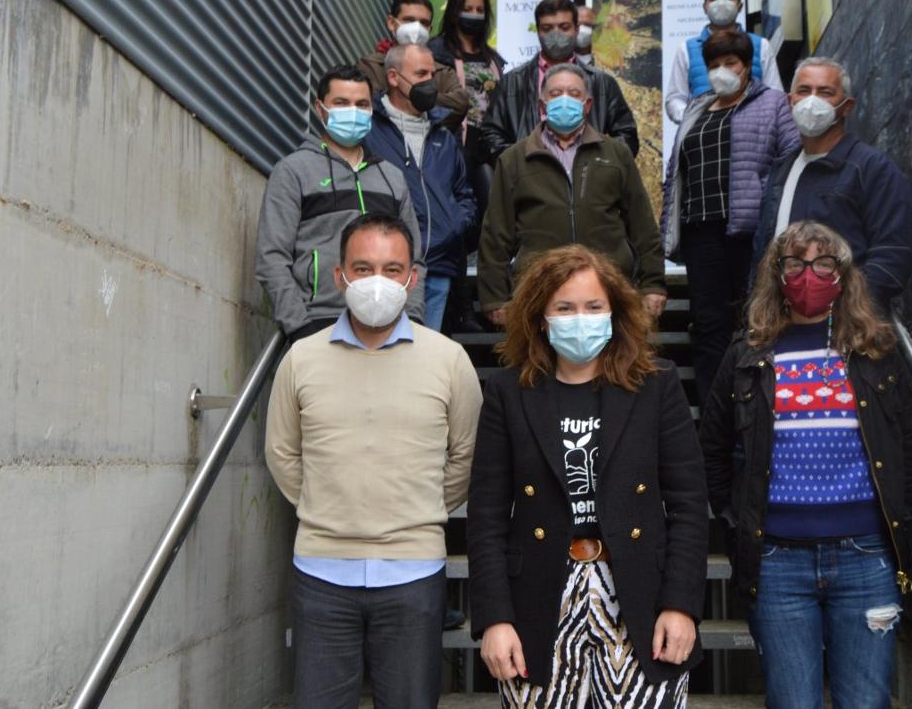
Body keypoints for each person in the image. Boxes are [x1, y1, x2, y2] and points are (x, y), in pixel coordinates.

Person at [698, 220, 912, 709]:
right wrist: (734, 518)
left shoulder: (876, 351)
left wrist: (894, 515)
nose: (810, 274)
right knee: (791, 701)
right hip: (777, 560)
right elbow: (712, 447)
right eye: (796, 263)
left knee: (866, 702)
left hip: (866, 558)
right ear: (776, 273)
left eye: (824, 262)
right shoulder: (747, 353)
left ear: (844, 274)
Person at [467, 244, 708, 708]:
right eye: (565, 307)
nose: (581, 318)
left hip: (641, 597)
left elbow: (689, 506)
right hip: (539, 599)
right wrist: (495, 619)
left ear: (613, 312)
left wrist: (680, 605)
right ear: (540, 317)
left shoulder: (657, 385)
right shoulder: (507, 392)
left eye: (594, 306)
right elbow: (487, 518)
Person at [265, 213, 482, 708]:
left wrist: (414, 512)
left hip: (413, 574)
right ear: (340, 276)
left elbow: (466, 457)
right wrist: (328, 504)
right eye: (363, 269)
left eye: (391, 268)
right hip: (321, 574)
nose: (377, 281)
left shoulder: (448, 360)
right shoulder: (301, 358)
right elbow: (282, 451)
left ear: (412, 277)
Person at [661, 29, 801, 399]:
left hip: (748, 231)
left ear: (747, 66)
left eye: (730, 63)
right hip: (698, 231)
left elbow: (790, 159)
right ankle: (714, 415)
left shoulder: (771, 103)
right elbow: (678, 170)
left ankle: (753, 407)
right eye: (714, 65)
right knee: (709, 326)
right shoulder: (696, 107)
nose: (722, 70)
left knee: (756, 319)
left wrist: (767, 206)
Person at [478, 63, 666, 326]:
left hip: (610, 288)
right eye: (555, 94)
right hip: (538, 292)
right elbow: (495, 234)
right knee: (540, 366)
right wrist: (495, 298)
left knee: (616, 365)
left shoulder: (615, 154)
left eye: (574, 93)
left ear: (587, 105)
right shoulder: (514, 160)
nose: (564, 99)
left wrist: (653, 284)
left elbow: (643, 225)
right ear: (542, 106)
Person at [255, 65, 424, 344]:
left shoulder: (392, 178)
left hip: (389, 328)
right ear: (321, 110)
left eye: (361, 104)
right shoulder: (293, 171)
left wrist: (413, 318)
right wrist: (298, 326)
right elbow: (271, 257)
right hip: (319, 324)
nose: (353, 112)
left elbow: (415, 257)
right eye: (341, 103)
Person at [751, 57, 912, 309]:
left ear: (846, 106)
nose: (811, 100)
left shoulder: (872, 168)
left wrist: (848, 309)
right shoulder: (780, 171)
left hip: (843, 327)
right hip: (780, 323)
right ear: (789, 100)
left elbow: (891, 256)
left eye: (825, 92)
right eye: (803, 91)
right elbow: (764, 251)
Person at [366, 43, 476, 331]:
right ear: (393, 77)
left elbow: (464, 194)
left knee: (424, 359)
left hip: (438, 267)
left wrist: (453, 226)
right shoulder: (368, 130)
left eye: (432, 74)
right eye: (421, 73)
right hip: (385, 269)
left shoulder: (444, 137)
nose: (430, 82)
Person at [428, 0, 507, 332]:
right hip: (451, 144)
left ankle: (492, 299)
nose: (473, 15)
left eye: (479, 10)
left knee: (492, 217)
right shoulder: (437, 52)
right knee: (456, 223)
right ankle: (460, 308)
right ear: (455, 10)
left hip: (486, 147)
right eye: (467, 8)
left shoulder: (494, 59)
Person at [478, 0, 639, 162]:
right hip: (529, 182)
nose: (556, 34)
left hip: (587, 182)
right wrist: (521, 163)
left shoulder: (602, 83)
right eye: (547, 28)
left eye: (564, 27)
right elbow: (490, 135)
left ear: (576, 29)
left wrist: (598, 163)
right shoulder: (512, 82)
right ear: (538, 30)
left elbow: (627, 136)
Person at [665, 0, 783, 124]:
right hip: (704, 136)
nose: (721, 2)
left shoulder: (761, 46)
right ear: (704, 7)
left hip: (751, 133)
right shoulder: (687, 50)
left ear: (740, 6)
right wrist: (694, 121)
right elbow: (675, 99)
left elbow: (776, 95)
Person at [357, 0, 469, 130]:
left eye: (424, 23)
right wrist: (427, 100)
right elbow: (374, 108)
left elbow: (459, 105)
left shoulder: (443, 72)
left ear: (430, 29)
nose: (417, 28)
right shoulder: (371, 66)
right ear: (391, 23)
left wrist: (403, 96)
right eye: (409, 20)